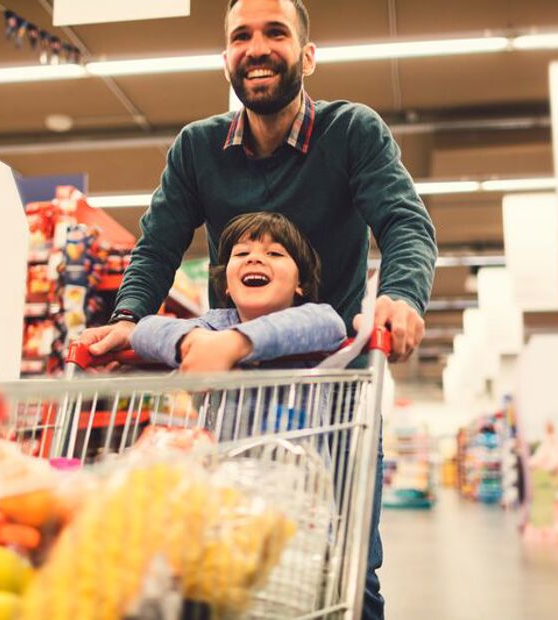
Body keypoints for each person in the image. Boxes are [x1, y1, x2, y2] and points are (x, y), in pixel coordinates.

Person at [78, 1, 438, 616]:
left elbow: (405, 224)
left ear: (307, 54)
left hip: (335, 400)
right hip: (239, 404)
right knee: (223, 562)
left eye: (276, 32)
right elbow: (159, 242)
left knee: (348, 569)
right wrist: (126, 323)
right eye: (240, 36)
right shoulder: (198, 148)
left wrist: (401, 298)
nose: (257, 47)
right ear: (225, 58)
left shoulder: (351, 132)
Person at [131, 212, 345, 371]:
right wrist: (190, 339)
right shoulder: (215, 325)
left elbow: (330, 324)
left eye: (274, 253)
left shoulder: (313, 319)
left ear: (301, 283)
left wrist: (235, 343)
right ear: (226, 286)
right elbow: (145, 329)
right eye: (241, 253)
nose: (254, 258)